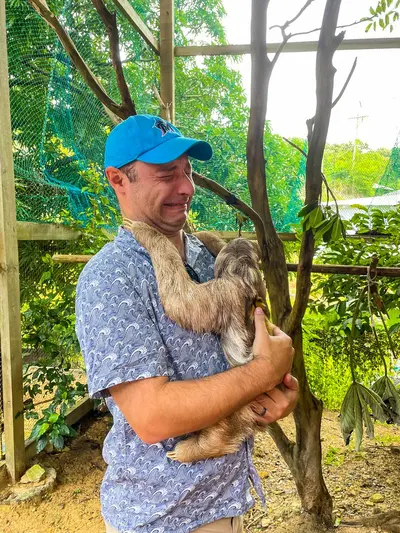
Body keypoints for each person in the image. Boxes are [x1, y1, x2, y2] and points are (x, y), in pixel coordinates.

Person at [75, 114, 298, 533]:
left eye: (188, 171)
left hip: (227, 504)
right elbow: (152, 417)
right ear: (118, 180)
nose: (186, 188)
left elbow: (247, 361)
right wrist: (263, 372)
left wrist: (276, 395)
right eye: (166, 175)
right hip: (164, 518)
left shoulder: (202, 258)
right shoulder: (111, 278)